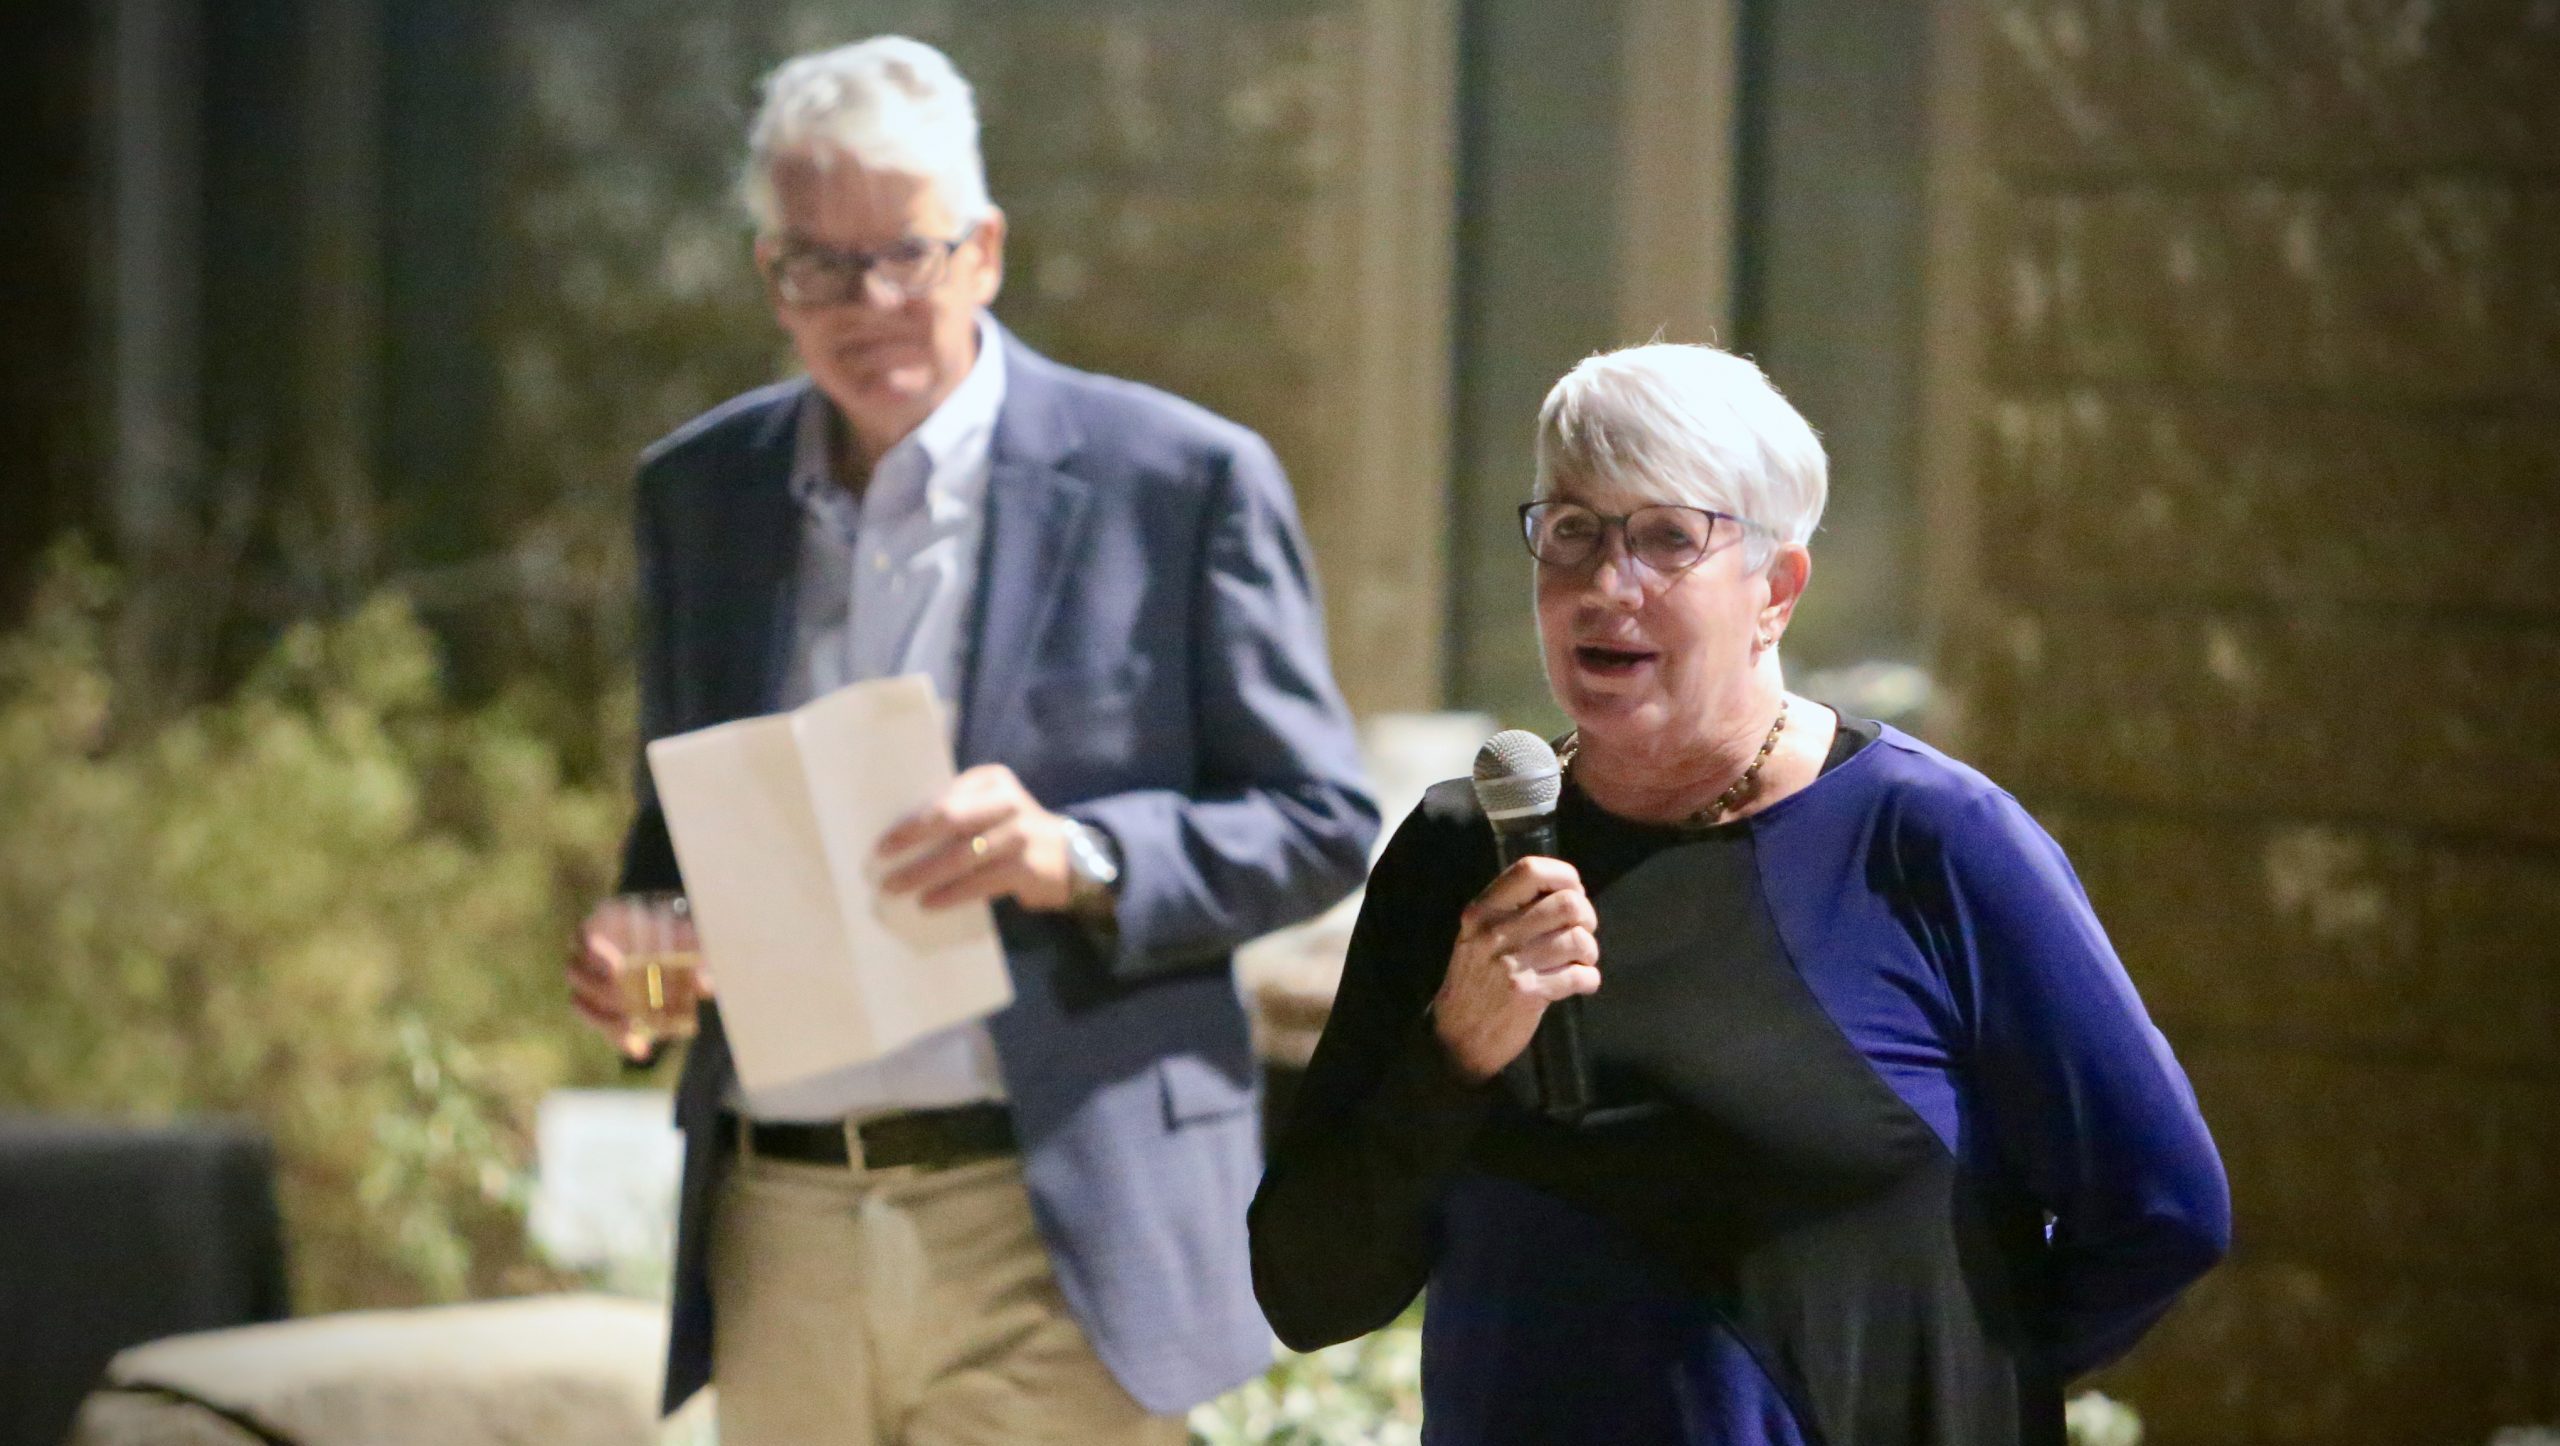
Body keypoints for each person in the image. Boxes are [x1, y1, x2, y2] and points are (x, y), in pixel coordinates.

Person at [565, 37, 1378, 1446]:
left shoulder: (1176, 481)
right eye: (820, 263)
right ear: (772, 276)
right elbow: (674, 833)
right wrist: (645, 947)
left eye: (904, 254)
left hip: (1055, 1218)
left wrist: (1083, 853)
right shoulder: (702, 492)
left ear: (984, 250)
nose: (866, 301)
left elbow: (1320, 816)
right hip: (780, 1223)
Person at [1248, 343, 2229, 1445]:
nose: (1604, 584)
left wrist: (1940, 1386)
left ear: (1774, 588)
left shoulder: (1929, 842)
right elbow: (1308, 1285)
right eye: (1570, 529)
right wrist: (1454, 1056)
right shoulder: (1454, 856)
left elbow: (2161, 1211)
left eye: (1666, 538)